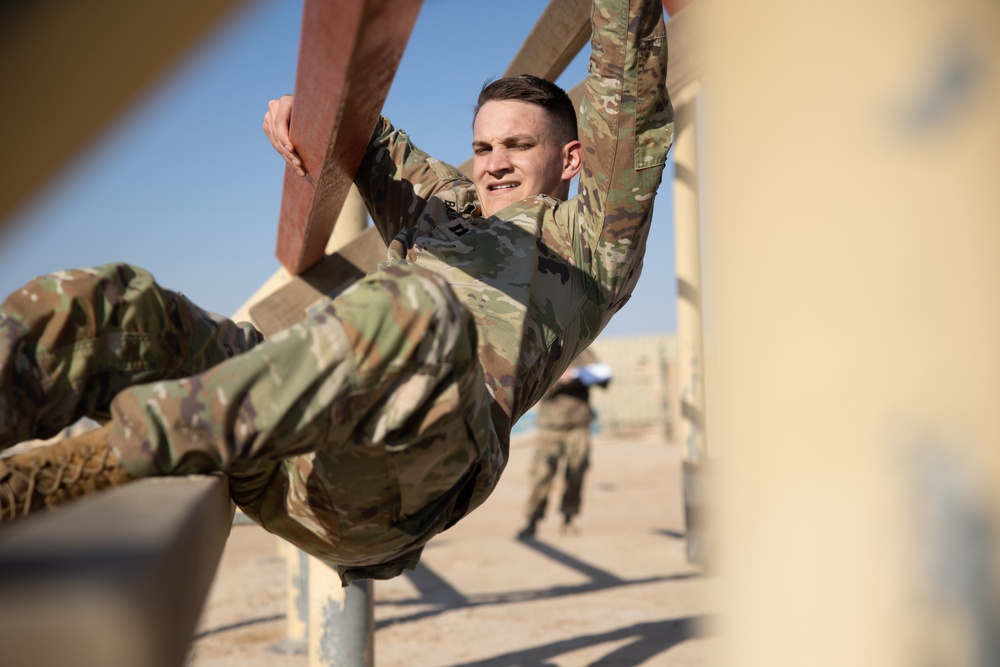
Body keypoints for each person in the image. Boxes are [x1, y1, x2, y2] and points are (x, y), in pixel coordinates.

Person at [0, 0, 673, 584]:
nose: (494, 162)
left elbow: (630, 90)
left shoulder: (593, 239)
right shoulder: (443, 205)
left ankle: (101, 459)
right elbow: (368, 136)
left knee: (420, 307)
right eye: (483, 145)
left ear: (572, 159)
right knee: (110, 302)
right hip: (279, 436)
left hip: (393, 480)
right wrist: (301, 110)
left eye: (517, 146)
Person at [519, 347, 610, 539]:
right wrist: (558, 381)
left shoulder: (584, 351)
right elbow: (533, 383)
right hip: (551, 426)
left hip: (578, 425)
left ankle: (570, 518)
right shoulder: (545, 351)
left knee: (576, 472)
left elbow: (603, 379)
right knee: (542, 474)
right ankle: (532, 520)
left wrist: (593, 376)